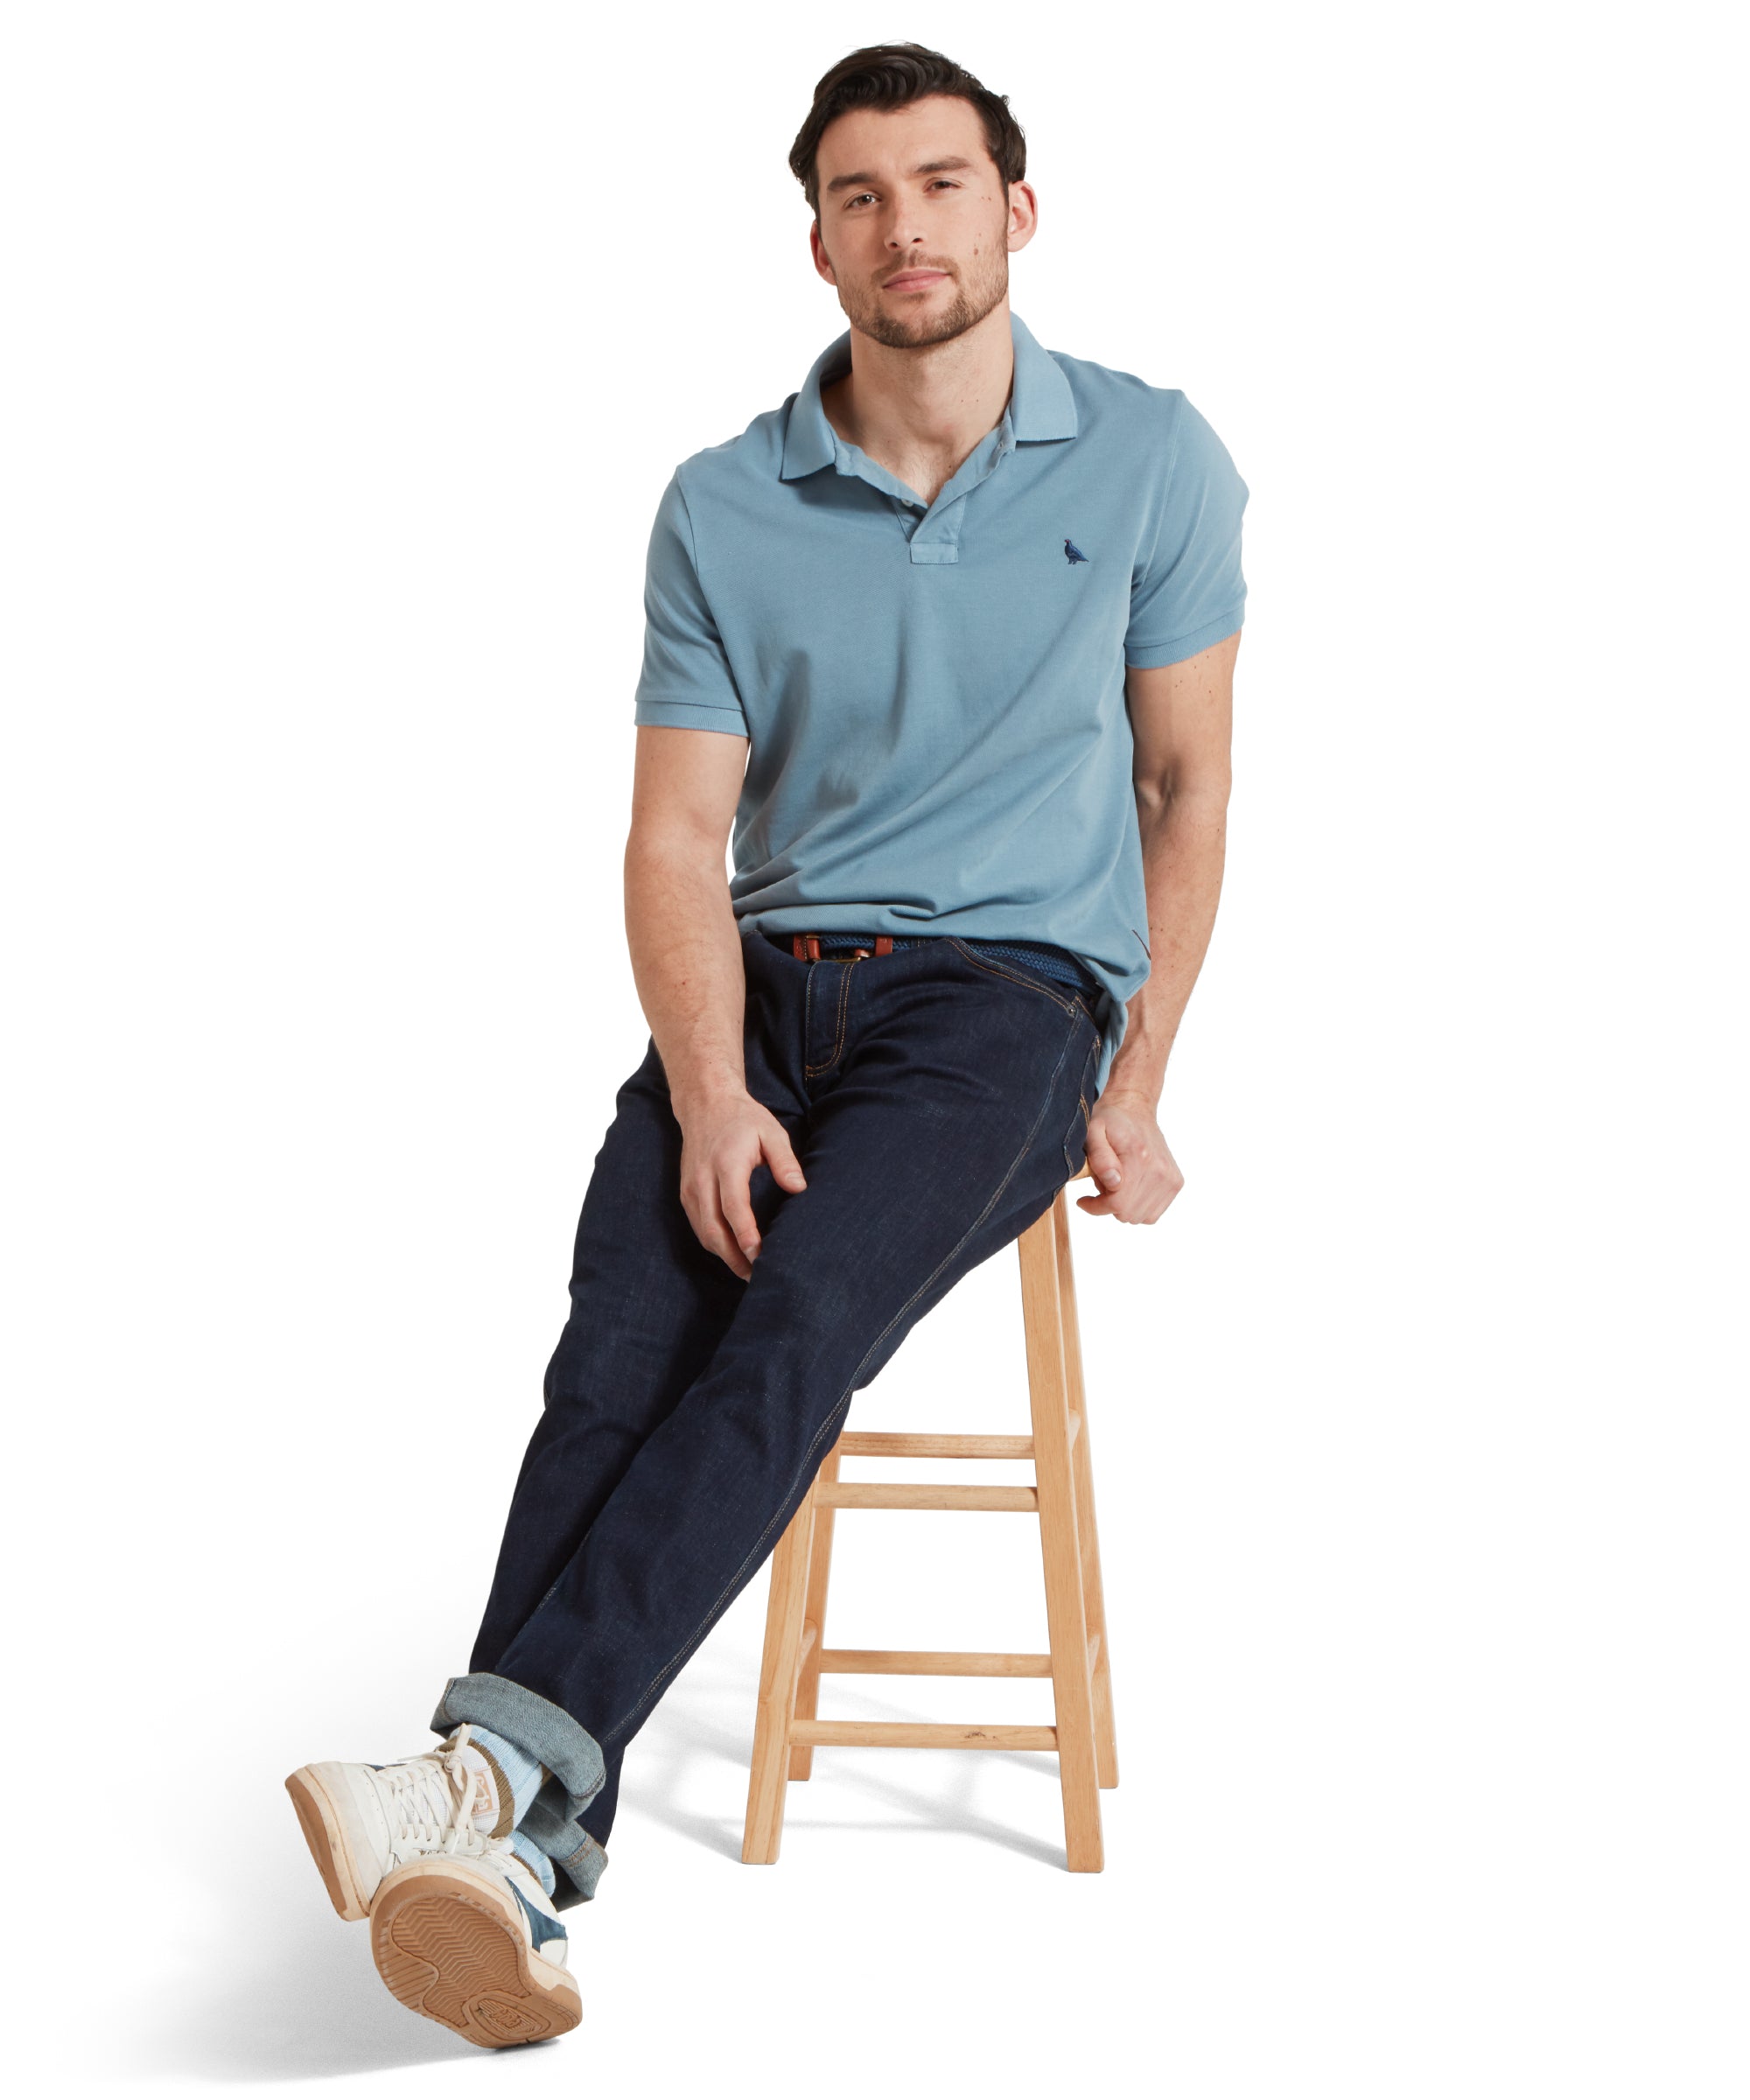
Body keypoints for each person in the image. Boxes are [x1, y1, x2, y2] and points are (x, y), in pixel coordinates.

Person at [285, 40, 1248, 2049]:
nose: (906, 224)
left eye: (943, 182)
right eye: (859, 193)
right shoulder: (726, 503)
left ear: (1017, 209)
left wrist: (1138, 1084)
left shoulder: (1155, 461)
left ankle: (481, 1787)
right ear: (813, 235)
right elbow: (671, 831)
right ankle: (519, 1859)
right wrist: (710, 1088)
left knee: (794, 1321)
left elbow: (1183, 791)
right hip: (766, 989)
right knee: (617, 1346)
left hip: (1004, 1005)